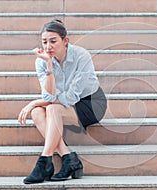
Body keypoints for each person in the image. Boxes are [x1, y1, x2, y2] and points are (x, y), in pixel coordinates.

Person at [18, 19, 107, 184]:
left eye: (53, 41)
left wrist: (35, 101)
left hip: (91, 103)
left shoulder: (81, 56)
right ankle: (69, 158)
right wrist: (49, 65)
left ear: (65, 41)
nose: (48, 46)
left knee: (51, 109)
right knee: (37, 112)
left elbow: (70, 96)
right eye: (44, 42)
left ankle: (44, 161)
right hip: (64, 104)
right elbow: (49, 97)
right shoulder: (42, 61)